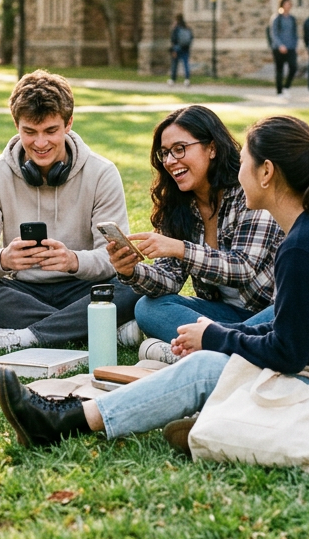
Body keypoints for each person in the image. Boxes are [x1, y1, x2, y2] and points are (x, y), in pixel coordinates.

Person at [0, 116, 309, 448]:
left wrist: (215, 336)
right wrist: (139, 276)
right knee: (208, 362)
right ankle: (73, 415)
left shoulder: (305, 246)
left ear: (266, 172)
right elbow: (290, 333)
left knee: (206, 369)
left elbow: (285, 352)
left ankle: (64, 420)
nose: (239, 170)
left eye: (245, 161)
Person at [0, 71, 141, 351]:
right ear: (16, 125)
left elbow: (112, 259)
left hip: (83, 287)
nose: (40, 144)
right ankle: (92, 328)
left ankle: (27, 336)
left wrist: (73, 261)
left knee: (135, 286)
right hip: (21, 291)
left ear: (69, 124)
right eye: (30, 132)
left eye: (51, 131)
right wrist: (4, 258)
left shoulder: (102, 173)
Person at [109, 106, 283, 363]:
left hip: (269, 311)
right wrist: (132, 271)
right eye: (165, 153)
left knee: (286, 314)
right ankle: (228, 349)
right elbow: (169, 280)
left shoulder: (248, 191)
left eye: (180, 149)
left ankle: (206, 348)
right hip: (225, 315)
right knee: (148, 308)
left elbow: (243, 267)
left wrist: (180, 248)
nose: (170, 161)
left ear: (211, 148)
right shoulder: (179, 206)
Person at [266, 0, 298, 97]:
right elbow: (274, 34)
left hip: (290, 47)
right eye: (287, 4)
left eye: (290, 4)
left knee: (293, 67)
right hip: (278, 48)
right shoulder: (276, 18)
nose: (289, 6)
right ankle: (279, 92)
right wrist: (280, 45)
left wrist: (294, 45)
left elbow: (294, 33)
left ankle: (286, 87)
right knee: (279, 70)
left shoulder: (292, 19)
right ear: (282, 5)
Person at [167, 14, 193, 87]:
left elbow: (173, 39)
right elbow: (191, 38)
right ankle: (187, 80)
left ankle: (173, 80)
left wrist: (173, 50)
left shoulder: (176, 28)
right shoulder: (187, 28)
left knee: (175, 64)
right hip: (186, 49)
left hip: (177, 48)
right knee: (186, 64)